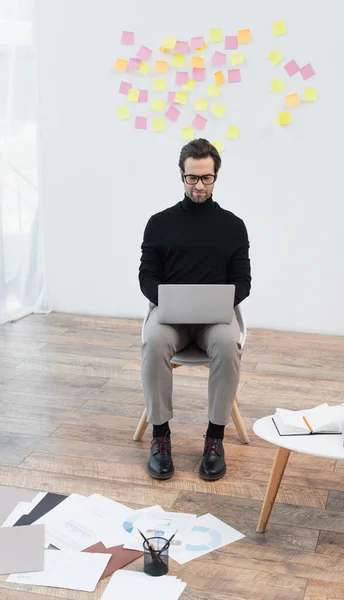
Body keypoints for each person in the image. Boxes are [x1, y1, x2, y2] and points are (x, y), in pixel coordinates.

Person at [139, 138, 251, 481]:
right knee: (154, 341)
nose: (199, 185)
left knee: (228, 344)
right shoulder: (159, 223)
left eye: (206, 178)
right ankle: (161, 435)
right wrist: (167, 300)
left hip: (214, 319)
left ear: (216, 176)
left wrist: (219, 302)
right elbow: (147, 276)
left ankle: (214, 439)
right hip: (171, 318)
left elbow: (243, 281)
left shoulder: (233, 226)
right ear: (181, 175)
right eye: (192, 178)